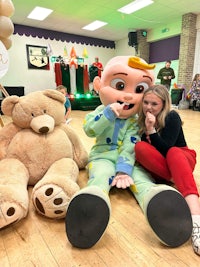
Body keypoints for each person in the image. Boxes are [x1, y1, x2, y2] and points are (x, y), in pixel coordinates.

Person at [65, 56, 192, 250]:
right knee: (100, 174)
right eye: (119, 85)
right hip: (102, 156)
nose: (128, 96)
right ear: (99, 85)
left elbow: (131, 144)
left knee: (141, 177)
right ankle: (93, 200)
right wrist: (108, 113)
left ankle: (157, 198)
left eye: (139, 89)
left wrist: (124, 169)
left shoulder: (135, 121)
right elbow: (90, 129)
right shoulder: (99, 110)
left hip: (129, 161)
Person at [135, 84, 200, 256]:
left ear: (163, 104)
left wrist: (151, 130)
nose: (149, 107)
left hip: (181, 158)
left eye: (154, 104)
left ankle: (196, 220)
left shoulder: (172, 117)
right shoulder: (141, 119)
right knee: (140, 148)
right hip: (165, 168)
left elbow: (166, 148)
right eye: (146, 102)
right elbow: (150, 153)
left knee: (173, 152)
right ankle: (176, 180)